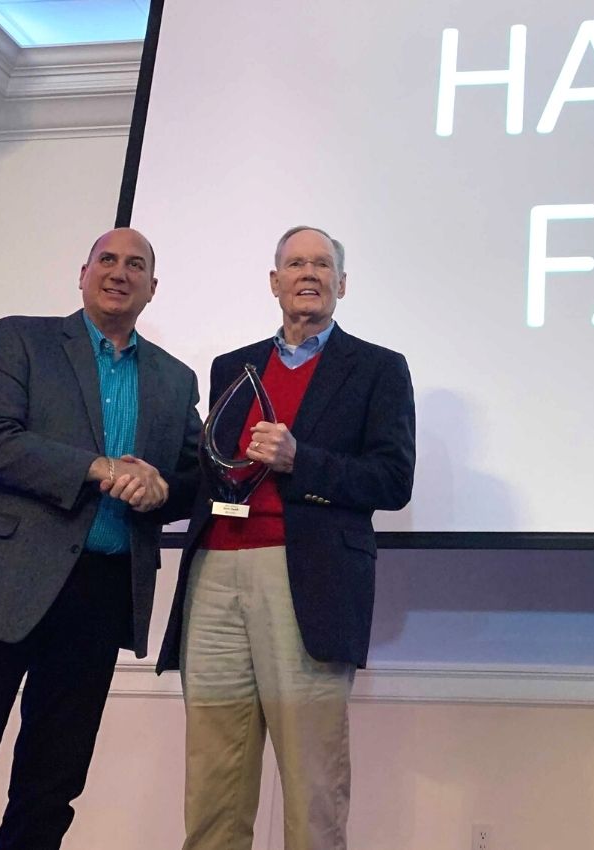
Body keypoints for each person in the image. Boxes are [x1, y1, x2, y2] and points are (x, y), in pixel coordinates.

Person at [0, 227, 202, 850]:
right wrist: (100, 469)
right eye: (107, 260)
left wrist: (162, 489)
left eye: (136, 265)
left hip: (99, 596)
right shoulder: (19, 338)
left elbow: (194, 480)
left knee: (49, 794)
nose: (120, 272)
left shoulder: (175, 379)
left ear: (153, 287)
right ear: (82, 272)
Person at [156, 225, 415, 850]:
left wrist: (303, 459)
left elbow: (393, 478)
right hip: (214, 575)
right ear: (274, 282)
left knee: (311, 781)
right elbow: (210, 465)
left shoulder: (378, 368)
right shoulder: (232, 368)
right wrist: (154, 481)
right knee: (213, 779)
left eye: (322, 264)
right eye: (295, 263)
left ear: (341, 284)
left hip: (306, 581)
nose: (309, 273)